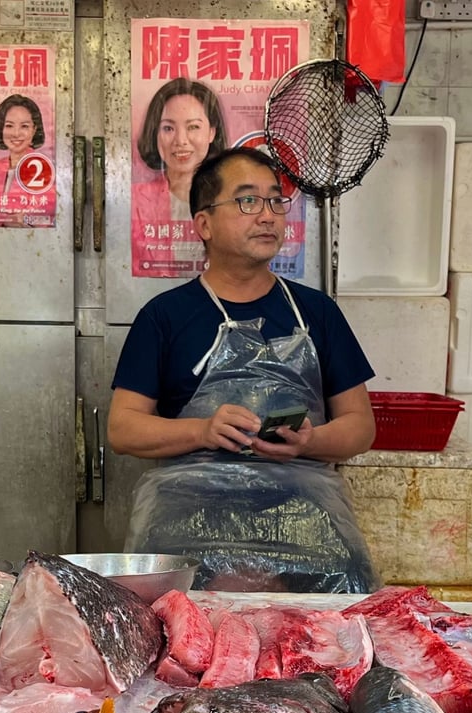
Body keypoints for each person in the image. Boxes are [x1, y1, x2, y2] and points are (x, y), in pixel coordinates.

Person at [109, 147, 379, 594]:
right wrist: (202, 432)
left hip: (304, 523)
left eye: (276, 201)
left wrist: (310, 441)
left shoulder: (318, 312)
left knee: (339, 635)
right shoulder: (164, 317)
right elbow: (122, 429)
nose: (269, 215)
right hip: (188, 526)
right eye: (248, 201)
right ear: (204, 224)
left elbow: (360, 428)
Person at [131, 79, 228, 275]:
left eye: (193, 127)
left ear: (211, 132)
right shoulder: (136, 201)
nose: (181, 141)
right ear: (155, 133)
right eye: (168, 128)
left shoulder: (230, 199)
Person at [0, 94, 54, 224]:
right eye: (9, 126)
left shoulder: (42, 168)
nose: (16, 133)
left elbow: (45, 217)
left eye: (24, 126)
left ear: (34, 130)